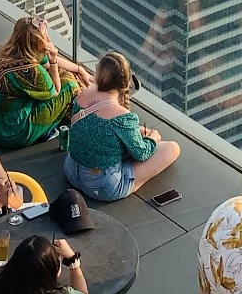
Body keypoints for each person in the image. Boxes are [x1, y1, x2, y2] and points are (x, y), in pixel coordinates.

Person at [63, 51, 181, 202]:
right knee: (172, 148)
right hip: (101, 186)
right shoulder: (123, 117)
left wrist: (134, 131)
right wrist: (153, 138)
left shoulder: (83, 95)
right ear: (126, 82)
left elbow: (97, 130)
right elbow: (140, 154)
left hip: (72, 171)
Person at [0, 15, 92, 148]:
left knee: (63, 73)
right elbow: (56, 90)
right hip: (12, 133)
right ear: (37, 43)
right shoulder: (30, 71)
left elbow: (45, 62)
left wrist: (80, 69)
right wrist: (54, 60)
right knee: (69, 84)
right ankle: (79, 115)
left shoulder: (9, 53)